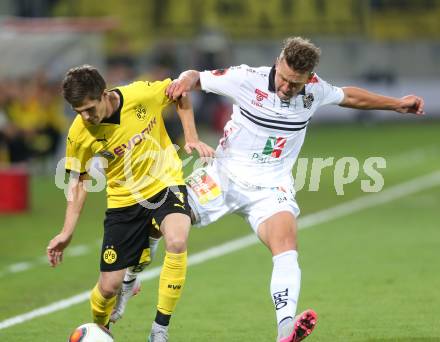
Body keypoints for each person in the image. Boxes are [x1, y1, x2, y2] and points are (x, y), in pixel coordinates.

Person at [113, 37, 425, 341]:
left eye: (297, 84)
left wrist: (396, 104)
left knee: (286, 244)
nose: (289, 88)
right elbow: (192, 78)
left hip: (271, 188)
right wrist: (186, 103)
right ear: (278, 64)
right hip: (222, 176)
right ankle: (129, 281)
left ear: (308, 78)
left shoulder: (314, 90)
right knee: (158, 223)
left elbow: (349, 96)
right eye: (286, 79)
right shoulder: (247, 79)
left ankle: (285, 329)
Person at [46, 65, 214, 342]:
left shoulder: (140, 95)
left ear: (104, 94)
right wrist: (67, 232)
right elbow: (78, 181)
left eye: (89, 109)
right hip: (123, 200)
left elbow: (180, 92)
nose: (86, 117)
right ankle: (102, 330)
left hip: (165, 183)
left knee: (177, 240)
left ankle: (159, 330)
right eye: (78, 112)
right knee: (107, 288)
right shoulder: (79, 134)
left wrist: (191, 137)